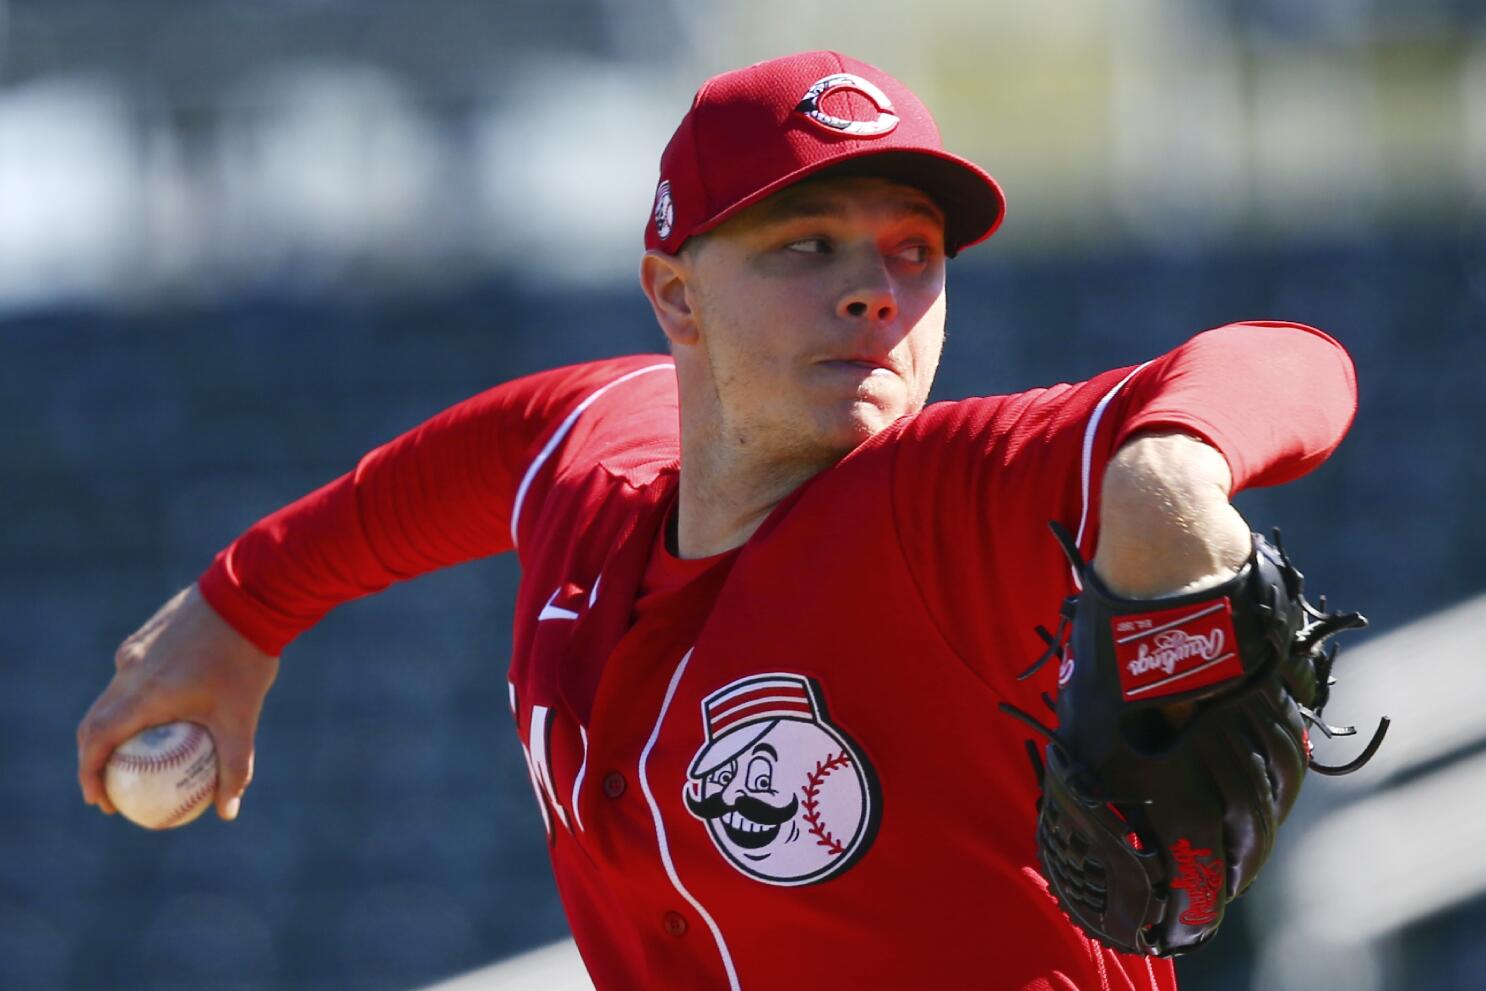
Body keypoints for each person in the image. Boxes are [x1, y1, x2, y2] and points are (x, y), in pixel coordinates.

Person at [77, 51, 1360, 989]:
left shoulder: (949, 498)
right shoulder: (596, 460)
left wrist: (1163, 471)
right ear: (674, 298)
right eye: (807, 247)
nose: (874, 293)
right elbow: (447, 472)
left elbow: (1289, 361)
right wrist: (242, 610)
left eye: (914, 252)